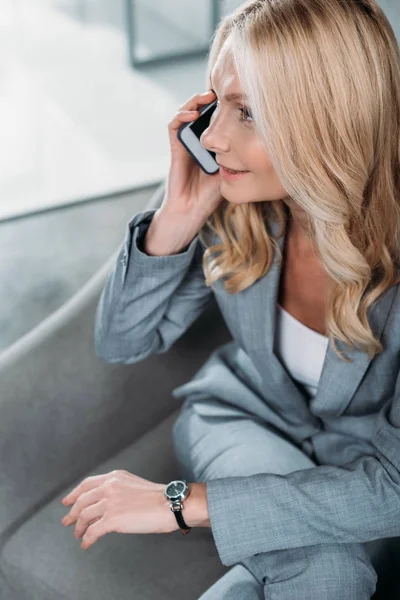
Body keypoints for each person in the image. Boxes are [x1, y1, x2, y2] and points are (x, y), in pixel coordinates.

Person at [64, 0, 400, 598]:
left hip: (364, 467)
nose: (212, 136)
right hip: (238, 418)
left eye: (246, 111)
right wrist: (177, 215)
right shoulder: (238, 205)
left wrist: (180, 503)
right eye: (217, 103)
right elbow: (121, 341)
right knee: (329, 573)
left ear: (328, 121)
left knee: (327, 576)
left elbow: (392, 489)